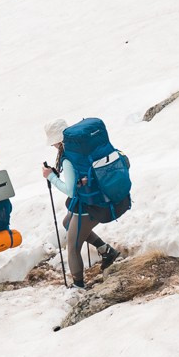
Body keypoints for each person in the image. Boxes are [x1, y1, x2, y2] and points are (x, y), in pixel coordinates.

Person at [44, 120, 121, 290]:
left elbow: (70, 191)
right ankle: (106, 251)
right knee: (67, 222)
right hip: (105, 195)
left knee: (72, 248)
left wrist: (51, 177)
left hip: (90, 205)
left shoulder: (69, 157)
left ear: (57, 141)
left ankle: (78, 286)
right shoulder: (86, 147)